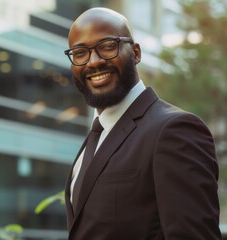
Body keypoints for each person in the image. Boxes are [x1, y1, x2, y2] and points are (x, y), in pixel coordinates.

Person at [63, 7, 221, 239]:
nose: (93, 62)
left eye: (107, 46)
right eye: (80, 53)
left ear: (136, 53)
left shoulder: (174, 130)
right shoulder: (97, 135)